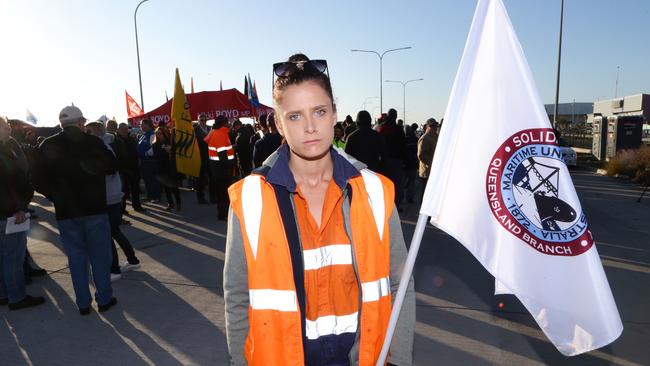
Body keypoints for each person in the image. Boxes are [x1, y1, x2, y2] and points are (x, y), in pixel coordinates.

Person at [224, 54, 414, 366]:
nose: (310, 127)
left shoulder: (376, 191)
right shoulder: (250, 198)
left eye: (320, 111)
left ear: (335, 114)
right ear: (278, 123)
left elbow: (400, 284)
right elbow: (237, 295)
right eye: (295, 116)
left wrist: (400, 359)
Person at [33, 106, 117, 315]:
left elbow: (35, 178)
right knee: (99, 256)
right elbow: (112, 166)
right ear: (80, 122)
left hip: (66, 212)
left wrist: (54, 195)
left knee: (76, 258)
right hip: (94, 209)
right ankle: (104, 299)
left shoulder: (48, 144)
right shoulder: (93, 142)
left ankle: (83, 303)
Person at [85, 120, 141, 282]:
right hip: (114, 194)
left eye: (88, 132)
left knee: (107, 234)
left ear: (94, 132)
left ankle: (114, 269)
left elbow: (102, 172)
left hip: (107, 196)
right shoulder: (110, 145)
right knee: (115, 231)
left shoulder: (101, 148)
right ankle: (132, 260)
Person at [0, 116, 46, 310]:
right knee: (12, 257)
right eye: (3, 126)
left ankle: (5, 294)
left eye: (7, 125)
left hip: (8, 210)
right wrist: (18, 208)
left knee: (5, 257)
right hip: (9, 212)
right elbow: (11, 183)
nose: (8, 128)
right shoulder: (6, 151)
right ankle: (17, 297)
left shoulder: (11, 146)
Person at [204, 115, 235, 220]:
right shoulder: (220, 134)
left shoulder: (216, 133)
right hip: (223, 170)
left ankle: (222, 214)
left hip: (216, 169)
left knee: (221, 193)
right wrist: (231, 164)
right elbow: (223, 156)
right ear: (224, 123)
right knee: (224, 194)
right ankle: (224, 215)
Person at [377, 108, 406, 210]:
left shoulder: (381, 127)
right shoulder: (398, 129)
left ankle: (385, 205)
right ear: (395, 116)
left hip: (383, 161)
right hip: (396, 160)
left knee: (384, 184)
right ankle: (395, 206)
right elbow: (403, 145)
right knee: (397, 185)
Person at [116, 123, 146, 212]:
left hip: (133, 167)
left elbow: (136, 150)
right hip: (123, 168)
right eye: (122, 129)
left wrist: (138, 160)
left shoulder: (131, 139)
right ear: (119, 130)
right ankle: (122, 209)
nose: (125, 130)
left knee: (135, 188)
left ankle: (137, 206)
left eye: (126, 129)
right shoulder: (116, 140)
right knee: (124, 191)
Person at [152, 125, 181, 211]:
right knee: (166, 188)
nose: (159, 135)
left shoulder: (169, 141)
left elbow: (175, 150)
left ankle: (178, 203)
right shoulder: (155, 144)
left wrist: (171, 149)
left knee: (174, 187)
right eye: (157, 134)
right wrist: (165, 151)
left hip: (171, 167)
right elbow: (157, 155)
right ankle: (170, 203)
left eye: (160, 133)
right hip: (162, 168)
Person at [193, 113, 216, 204]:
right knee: (200, 179)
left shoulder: (211, 129)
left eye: (205, 120)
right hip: (200, 157)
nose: (203, 121)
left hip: (211, 157)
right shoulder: (195, 130)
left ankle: (213, 197)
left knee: (212, 178)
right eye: (201, 120)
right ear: (198, 121)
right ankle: (201, 198)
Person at [138, 119, 161, 202]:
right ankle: (150, 195)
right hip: (144, 162)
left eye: (142, 124)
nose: (140, 126)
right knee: (147, 179)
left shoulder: (152, 134)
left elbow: (153, 148)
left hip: (150, 161)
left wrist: (146, 154)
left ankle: (156, 197)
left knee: (153, 180)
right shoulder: (143, 135)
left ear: (147, 125)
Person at [417, 118, 439, 202]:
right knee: (426, 194)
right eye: (432, 126)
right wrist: (432, 163)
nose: (434, 127)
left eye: (435, 125)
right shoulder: (425, 138)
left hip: (434, 171)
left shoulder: (436, 137)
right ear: (427, 127)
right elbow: (421, 155)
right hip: (427, 172)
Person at [403, 124, 419, 204]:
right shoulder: (416, 139)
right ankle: (410, 198)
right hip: (413, 163)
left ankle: (401, 199)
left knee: (402, 183)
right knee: (411, 182)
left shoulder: (403, 140)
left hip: (405, 164)